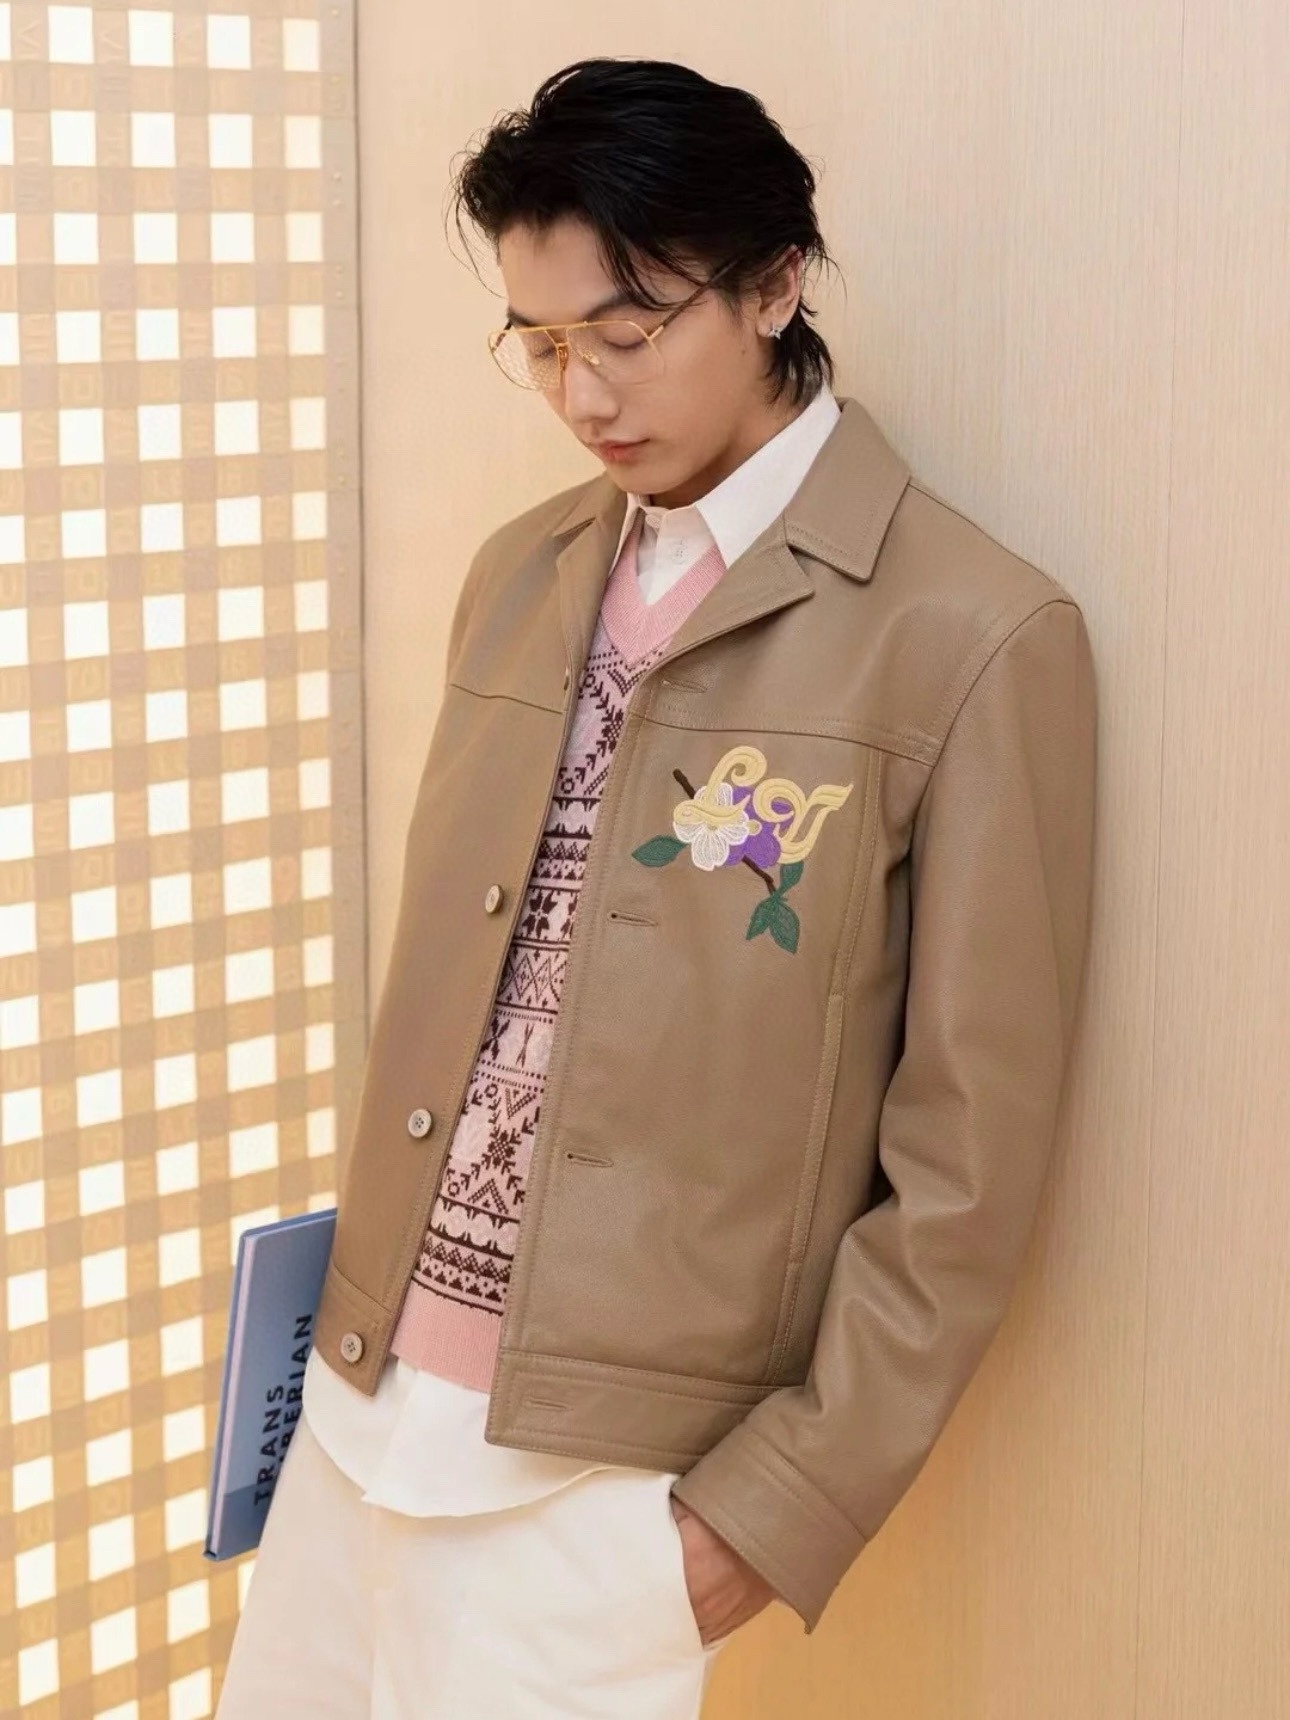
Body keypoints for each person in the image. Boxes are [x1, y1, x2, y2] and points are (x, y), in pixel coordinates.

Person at [216, 55, 1098, 1720]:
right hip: (354, 1419)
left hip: (602, 1497)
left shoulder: (971, 635)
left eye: (626, 334)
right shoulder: (522, 572)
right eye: (543, 344)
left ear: (773, 286)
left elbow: (970, 1166)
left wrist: (762, 1519)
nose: (582, 393)